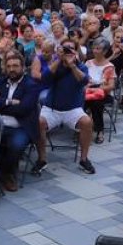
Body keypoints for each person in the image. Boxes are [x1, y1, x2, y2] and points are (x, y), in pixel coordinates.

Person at [35, 40, 96, 176]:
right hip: (52, 108)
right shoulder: (55, 65)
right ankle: (42, 159)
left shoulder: (81, 66)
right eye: (65, 49)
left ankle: (84, 159)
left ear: (76, 51)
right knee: (39, 122)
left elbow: (84, 81)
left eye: (71, 49)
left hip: (72, 109)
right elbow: (44, 78)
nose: (68, 51)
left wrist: (72, 65)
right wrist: (59, 59)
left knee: (86, 122)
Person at [0, 52, 40, 193]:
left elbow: (23, 109)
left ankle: (7, 174)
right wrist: (9, 102)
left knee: (16, 145)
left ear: (23, 68)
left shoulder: (31, 85)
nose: (12, 69)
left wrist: (0, 104)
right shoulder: (2, 82)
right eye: (9, 66)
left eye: (15, 66)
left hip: (20, 127)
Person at [84, 40, 116, 144]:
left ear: (105, 51)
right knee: (79, 101)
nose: (95, 50)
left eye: (98, 48)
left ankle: (99, 130)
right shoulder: (88, 63)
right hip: (88, 91)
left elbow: (111, 86)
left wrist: (97, 89)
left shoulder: (109, 66)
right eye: (94, 48)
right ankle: (82, 128)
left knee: (96, 103)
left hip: (103, 92)